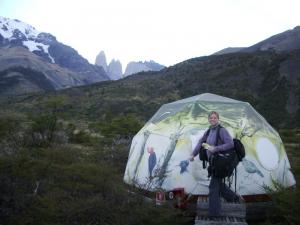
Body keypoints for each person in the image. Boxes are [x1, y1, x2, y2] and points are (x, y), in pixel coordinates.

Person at [189, 111, 238, 217]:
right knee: (218, 184)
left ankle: (214, 213)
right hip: (213, 163)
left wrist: (215, 149)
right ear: (208, 119)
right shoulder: (208, 131)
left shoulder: (222, 130)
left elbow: (231, 144)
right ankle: (233, 197)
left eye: (214, 118)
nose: (212, 119)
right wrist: (193, 154)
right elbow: (200, 143)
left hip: (220, 163)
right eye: (211, 118)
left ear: (218, 119)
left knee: (213, 187)